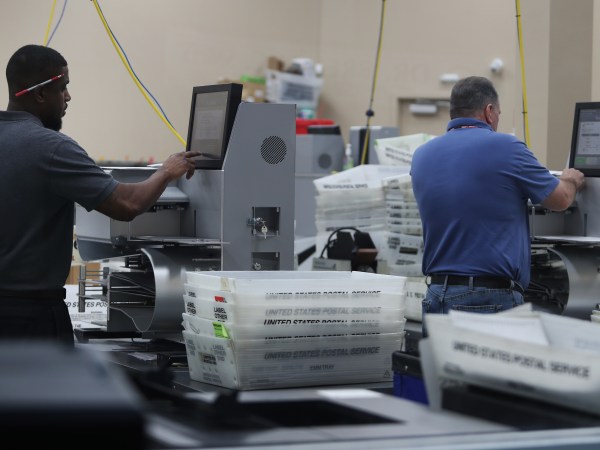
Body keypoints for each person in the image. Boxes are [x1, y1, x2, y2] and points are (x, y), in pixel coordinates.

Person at [0, 44, 200, 346]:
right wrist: (167, 172)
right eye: (63, 88)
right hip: (30, 318)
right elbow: (127, 204)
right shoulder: (51, 148)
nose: (68, 97)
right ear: (40, 94)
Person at [410, 76, 585, 334]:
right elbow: (561, 200)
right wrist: (571, 180)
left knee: (448, 375)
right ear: (489, 111)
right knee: (492, 375)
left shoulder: (422, 155)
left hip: (436, 296)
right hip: (487, 299)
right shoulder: (506, 147)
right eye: (499, 113)